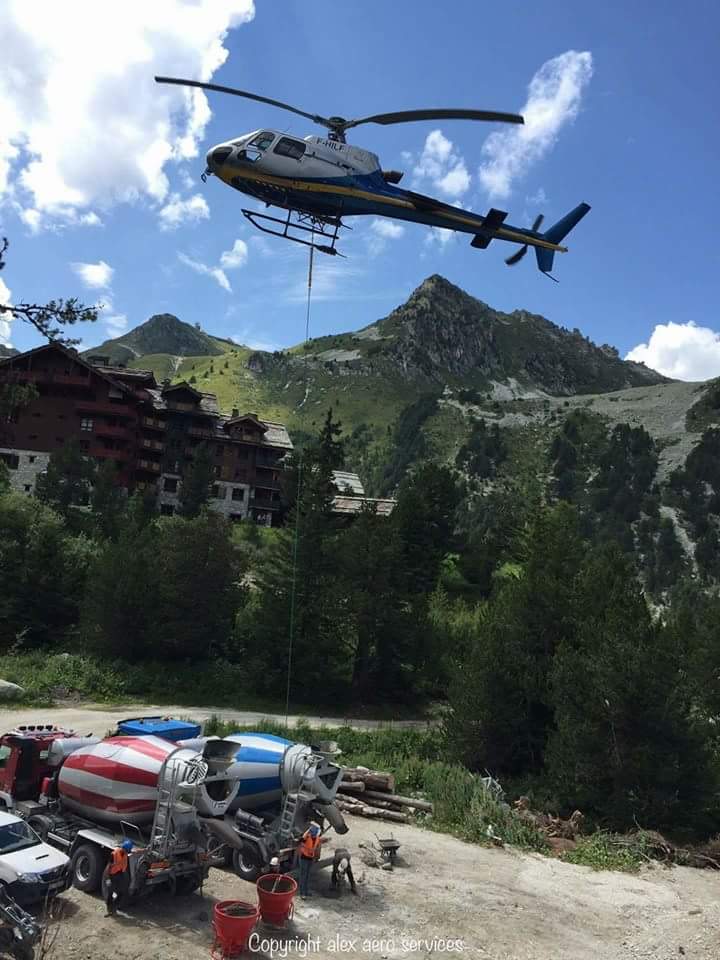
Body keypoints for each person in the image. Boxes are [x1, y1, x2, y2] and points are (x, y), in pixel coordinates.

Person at [104, 839, 133, 916]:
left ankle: (114, 907)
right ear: (124, 848)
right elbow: (108, 867)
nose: (127, 853)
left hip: (119, 874)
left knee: (122, 892)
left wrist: (144, 850)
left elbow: (135, 852)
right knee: (110, 892)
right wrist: (108, 879)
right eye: (127, 851)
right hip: (112, 875)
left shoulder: (125, 854)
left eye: (128, 852)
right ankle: (109, 909)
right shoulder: (114, 854)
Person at [297, 823, 322, 898]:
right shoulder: (307, 837)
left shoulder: (317, 838)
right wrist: (308, 831)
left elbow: (316, 847)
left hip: (310, 858)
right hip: (304, 858)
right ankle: (302, 893)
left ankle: (306, 891)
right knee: (303, 876)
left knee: (308, 876)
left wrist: (315, 857)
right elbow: (301, 840)